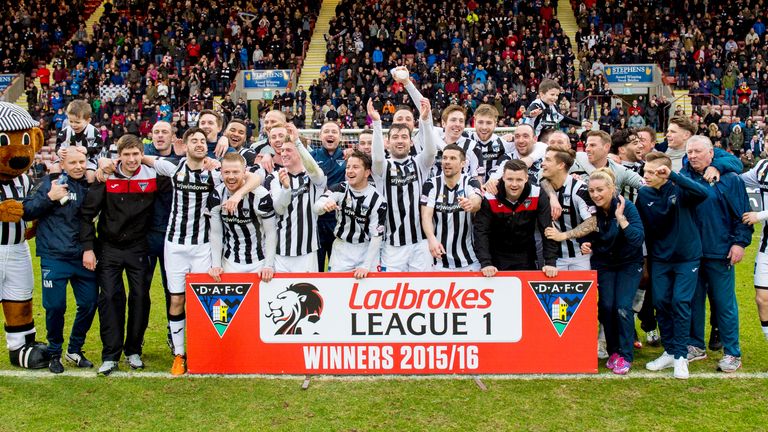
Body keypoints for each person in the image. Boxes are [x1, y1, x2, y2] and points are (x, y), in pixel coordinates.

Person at [142, 127, 261, 375]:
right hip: (174, 246)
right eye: (193, 140)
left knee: (205, 301)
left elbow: (253, 178)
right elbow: (142, 157)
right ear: (184, 146)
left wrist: (238, 194)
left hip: (203, 247)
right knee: (176, 299)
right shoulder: (173, 168)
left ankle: (206, 351)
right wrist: (105, 165)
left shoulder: (216, 174)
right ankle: (179, 354)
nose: (199, 144)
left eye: (202, 141)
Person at [80, 135, 157, 375]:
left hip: (138, 248)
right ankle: (110, 355)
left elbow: (183, 164)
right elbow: (87, 214)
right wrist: (88, 248)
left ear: (141, 154)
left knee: (141, 297)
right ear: (119, 156)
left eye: (136, 154)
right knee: (111, 297)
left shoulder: (153, 175)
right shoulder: (106, 176)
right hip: (109, 248)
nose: (132, 159)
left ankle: (133, 350)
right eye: (127, 155)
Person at [681, 136, 753, 372]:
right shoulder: (684, 177)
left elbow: (743, 214)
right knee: (693, 301)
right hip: (691, 253)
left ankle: (732, 352)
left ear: (711, 153)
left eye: (698, 152)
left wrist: (740, 243)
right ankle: (695, 346)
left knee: (724, 304)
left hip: (720, 252)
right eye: (689, 152)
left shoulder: (730, 180)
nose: (692, 156)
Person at [22, 149, 97, 373]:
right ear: (61, 163)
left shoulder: (89, 185)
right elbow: (26, 210)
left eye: (82, 162)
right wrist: (49, 198)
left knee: (89, 303)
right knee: (55, 306)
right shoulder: (48, 183)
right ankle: (55, 352)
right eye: (72, 162)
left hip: (83, 256)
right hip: (54, 256)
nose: (78, 166)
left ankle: (74, 349)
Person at [637, 152, 708, 379]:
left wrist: (674, 176)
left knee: (680, 301)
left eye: (651, 172)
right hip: (660, 259)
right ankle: (670, 351)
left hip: (687, 258)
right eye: (645, 171)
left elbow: (703, 192)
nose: (645, 176)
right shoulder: (644, 193)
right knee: (661, 302)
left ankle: (681, 357)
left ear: (664, 173)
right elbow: (643, 229)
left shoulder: (680, 189)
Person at [580, 169, 644, 375]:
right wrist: (585, 243)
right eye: (592, 190)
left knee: (622, 306)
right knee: (606, 306)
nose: (596, 194)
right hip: (604, 264)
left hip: (628, 263)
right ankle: (613, 351)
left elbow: (637, 239)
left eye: (600, 190)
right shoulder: (591, 209)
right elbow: (583, 232)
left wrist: (621, 219)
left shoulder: (627, 207)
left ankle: (626, 354)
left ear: (612, 189)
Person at [369, 97, 437, 272]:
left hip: (421, 243)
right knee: (391, 293)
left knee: (422, 292)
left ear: (411, 142)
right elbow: (376, 157)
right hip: (392, 245)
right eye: (395, 137)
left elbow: (431, 150)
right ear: (388, 142)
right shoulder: (382, 167)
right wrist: (376, 124)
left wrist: (425, 120)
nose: (400, 141)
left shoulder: (420, 163)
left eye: (404, 137)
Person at [473, 159, 559, 277]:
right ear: (502, 177)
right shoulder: (491, 195)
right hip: (495, 258)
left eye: (519, 179)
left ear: (526, 178)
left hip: (526, 255)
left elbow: (547, 228)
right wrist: (485, 262)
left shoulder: (537, 193)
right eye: (510, 179)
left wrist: (550, 262)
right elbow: (481, 231)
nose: (514, 184)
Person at [314, 151, 386, 277]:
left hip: (366, 249)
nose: (350, 171)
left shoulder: (378, 200)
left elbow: (376, 236)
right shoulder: (340, 188)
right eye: (348, 167)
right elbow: (316, 207)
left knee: (367, 293)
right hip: (341, 249)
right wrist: (324, 206)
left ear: (367, 173)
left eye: (355, 167)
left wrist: (366, 265)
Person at [208, 153, 276, 281]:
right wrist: (216, 265)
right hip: (230, 261)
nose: (231, 177)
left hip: (259, 262)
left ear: (244, 172)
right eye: (227, 172)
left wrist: (268, 265)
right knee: (231, 302)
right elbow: (216, 233)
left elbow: (270, 232)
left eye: (235, 172)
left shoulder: (260, 195)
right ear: (221, 173)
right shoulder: (217, 196)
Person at [267, 136, 327, 272]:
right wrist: (286, 189)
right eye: (282, 150)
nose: (283, 154)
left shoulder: (313, 176)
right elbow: (279, 209)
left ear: (300, 152)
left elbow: (316, 173)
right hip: (281, 250)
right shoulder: (275, 177)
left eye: (288, 150)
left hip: (307, 250)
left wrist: (298, 143)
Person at [421, 144, 483, 271]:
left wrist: (471, 204)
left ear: (463, 164)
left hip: (468, 261)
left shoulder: (470, 182)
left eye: (453, 158)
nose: (447, 162)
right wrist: (431, 239)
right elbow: (426, 216)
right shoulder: (430, 184)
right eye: (444, 158)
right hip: (438, 261)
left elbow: (476, 200)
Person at [540, 143, 595, 270]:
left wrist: (563, 235)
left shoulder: (580, 189)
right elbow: (542, 181)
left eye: (548, 160)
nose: (543, 163)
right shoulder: (542, 186)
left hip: (580, 256)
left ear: (561, 165)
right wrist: (553, 197)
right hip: (553, 258)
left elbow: (592, 222)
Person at [311, 121, 346, 271]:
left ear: (340, 137)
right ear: (320, 136)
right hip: (316, 220)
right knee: (317, 267)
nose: (330, 134)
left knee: (337, 268)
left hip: (337, 220)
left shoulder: (347, 158)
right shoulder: (312, 157)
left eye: (334, 132)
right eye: (326, 131)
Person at [740, 157, 768, 342]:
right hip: (767, 244)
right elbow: (737, 180)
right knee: (762, 299)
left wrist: (760, 215)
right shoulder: (763, 167)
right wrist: (718, 169)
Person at [56, 100, 105, 183]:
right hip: (68, 160)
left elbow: (99, 147)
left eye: (77, 122)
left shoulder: (94, 132)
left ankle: (87, 194)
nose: (73, 125)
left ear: (88, 120)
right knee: (54, 168)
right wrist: (59, 151)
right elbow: (58, 145)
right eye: (71, 121)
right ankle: (56, 190)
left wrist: (87, 150)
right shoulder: (65, 132)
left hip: (88, 159)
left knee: (90, 176)